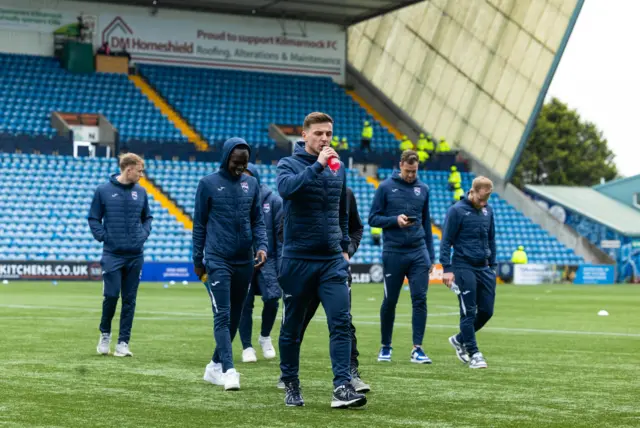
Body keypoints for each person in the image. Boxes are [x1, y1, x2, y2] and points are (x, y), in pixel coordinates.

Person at [276, 112, 366, 408]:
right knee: (292, 328)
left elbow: (342, 212)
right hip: (298, 259)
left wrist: (344, 247)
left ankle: (342, 387)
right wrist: (317, 165)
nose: (325, 139)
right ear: (305, 135)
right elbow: (287, 190)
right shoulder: (287, 164)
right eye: (318, 133)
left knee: (340, 321)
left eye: (328, 133)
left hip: (331, 261)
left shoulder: (338, 170)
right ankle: (291, 383)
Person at [194, 138, 268, 391]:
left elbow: (258, 219)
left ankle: (213, 366)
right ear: (226, 158)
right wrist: (198, 259)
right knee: (223, 315)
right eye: (236, 162)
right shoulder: (208, 184)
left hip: (244, 260)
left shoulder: (252, 184)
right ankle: (229, 369)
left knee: (236, 316)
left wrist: (262, 246)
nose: (240, 167)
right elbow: (199, 224)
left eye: (244, 163)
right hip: (217, 259)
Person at [295, 186, 370, 393]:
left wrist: (348, 250)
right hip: (306, 269)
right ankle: (289, 375)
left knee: (343, 322)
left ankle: (351, 373)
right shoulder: (302, 191)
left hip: (336, 269)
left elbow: (357, 228)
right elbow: (286, 229)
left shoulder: (346, 194)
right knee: (297, 322)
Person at [368, 150, 435, 364]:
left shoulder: (423, 189)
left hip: (418, 251)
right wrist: (395, 220)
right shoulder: (386, 187)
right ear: (400, 166)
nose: (410, 175)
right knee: (390, 300)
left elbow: (426, 223)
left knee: (420, 299)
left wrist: (430, 256)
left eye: (414, 172)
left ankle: (418, 348)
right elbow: (373, 219)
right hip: (394, 252)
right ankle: (385, 346)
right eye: (407, 171)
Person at [89, 153, 152, 357]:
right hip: (112, 254)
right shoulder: (103, 190)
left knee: (130, 299)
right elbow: (93, 218)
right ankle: (105, 333)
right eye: (140, 171)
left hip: (135, 255)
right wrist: (104, 237)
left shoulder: (141, 192)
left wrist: (143, 235)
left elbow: (148, 217)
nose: (142, 175)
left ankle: (123, 343)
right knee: (111, 295)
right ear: (129, 169)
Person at [440, 176, 496, 370]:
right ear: (473, 192)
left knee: (487, 311)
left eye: (486, 200)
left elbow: (491, 239)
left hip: (484, 267)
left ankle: (459, 339)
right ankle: (474, 353)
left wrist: (493, 265)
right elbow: (446, 240)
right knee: (468, 312)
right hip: (463, 266)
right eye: (481, 199)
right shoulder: (456, 211)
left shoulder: (488, 211)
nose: (484, 203)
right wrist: (447, 269)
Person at [238, 164, 283, 363]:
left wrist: (282, 266)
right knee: (243, 304)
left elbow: (281, 237)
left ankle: (265, 336)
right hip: (242, 260)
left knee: (272, 299)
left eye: (248, 177)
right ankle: (247, 346)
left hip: (269, 261)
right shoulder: (234, 200)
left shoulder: (273, 201)